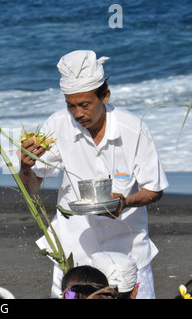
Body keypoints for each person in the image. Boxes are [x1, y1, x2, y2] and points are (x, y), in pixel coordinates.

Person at [19, 50, 168, 299]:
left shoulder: (133, 129)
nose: (77, 114)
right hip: (76, 251)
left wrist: (125, 202)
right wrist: (25, 166)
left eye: (84, 105)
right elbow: (32, 187)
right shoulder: (57, 126)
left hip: (127, 249)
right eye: (70, 106)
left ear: (105, 96)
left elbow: (155, 189)